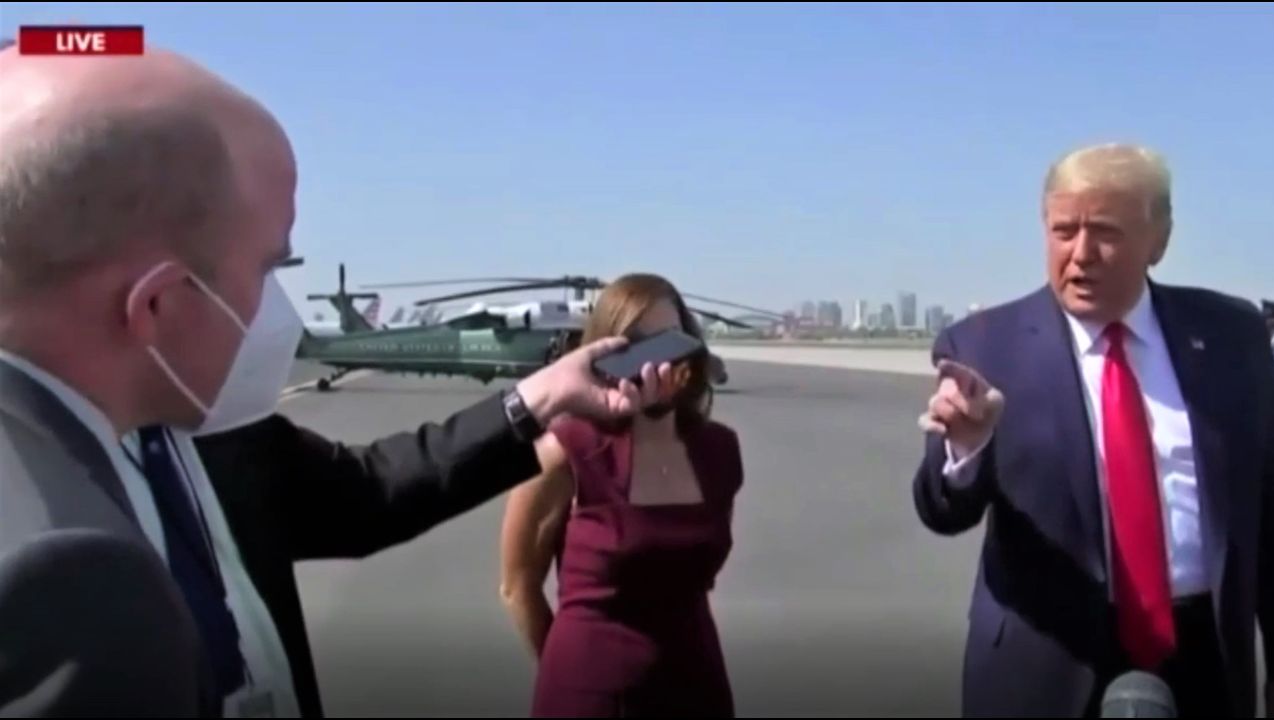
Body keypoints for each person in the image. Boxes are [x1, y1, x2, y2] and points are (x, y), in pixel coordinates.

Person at [0, 46, 667, 717]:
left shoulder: (214, 430)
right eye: (266, 268)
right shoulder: (48, 567)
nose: (278, 314)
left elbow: (368, 492)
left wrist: (540, 397)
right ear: (157, 304)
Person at [912, 142, 1274, 717]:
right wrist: (966, 447)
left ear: (1159, 241)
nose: (1081, 254)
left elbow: (1272, 512)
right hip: (1043, 664)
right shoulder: (983, 347)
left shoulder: (1233, 336)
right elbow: (941, 511)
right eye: (1064, 231)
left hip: (1203, 660)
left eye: (1106, 232)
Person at [499, 273, 744, 718]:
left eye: (671, 341)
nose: (658, 365)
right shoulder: (562, 452)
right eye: (638, 345)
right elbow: (518, 587)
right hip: (590, 695)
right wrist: (568, 674)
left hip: (698, 687)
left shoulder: (719, 452)